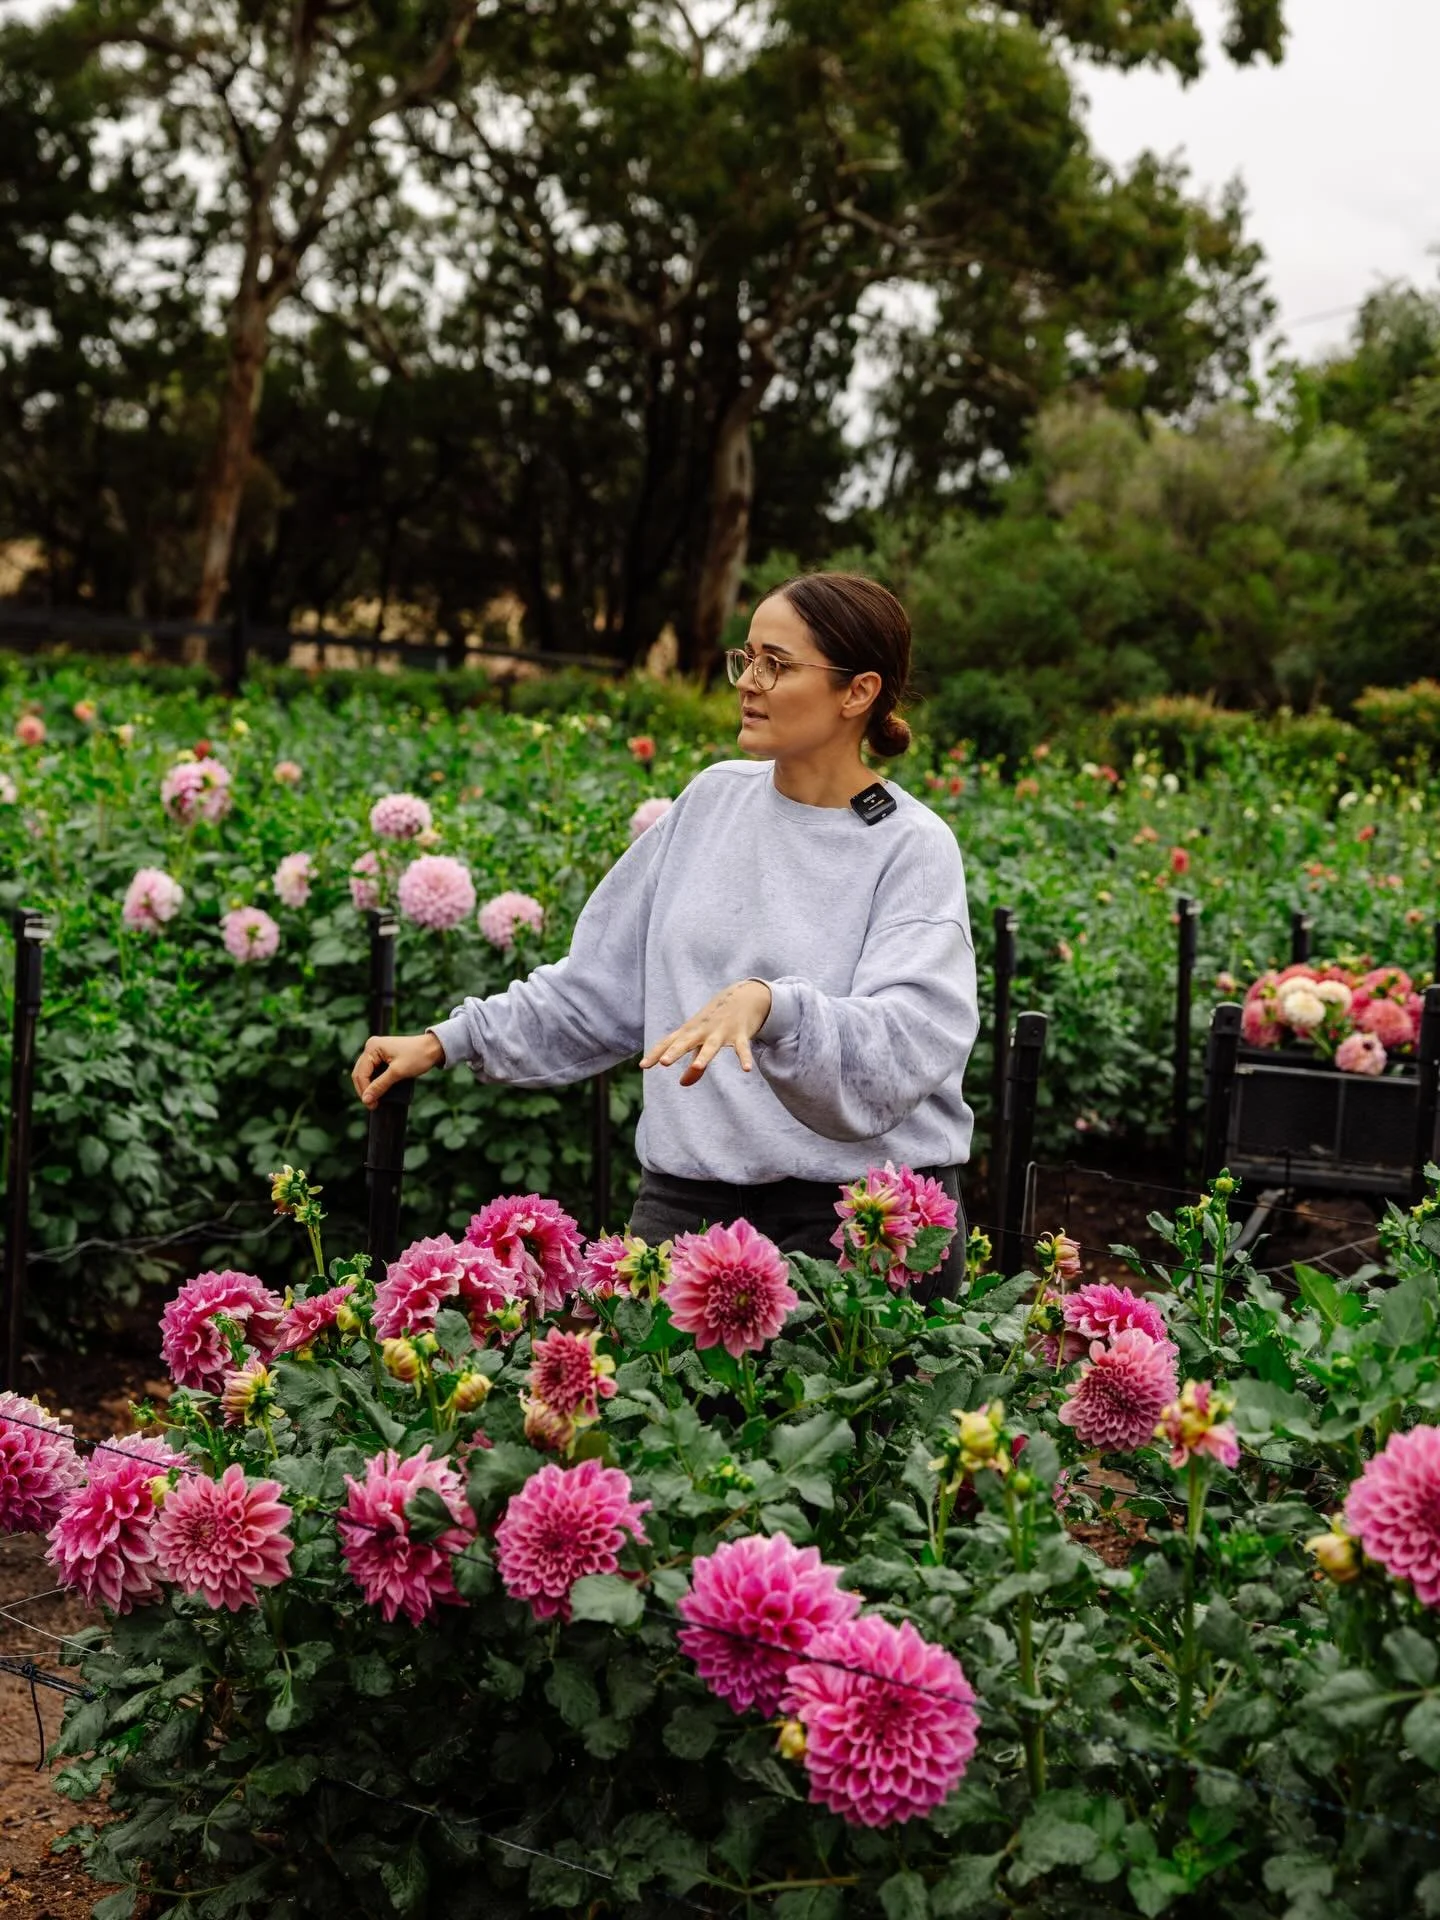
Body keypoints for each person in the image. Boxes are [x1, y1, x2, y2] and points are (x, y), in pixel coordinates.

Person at [350, 571, 978, 1298]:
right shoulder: (712, 801)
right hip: (688, 1205)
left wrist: (772, 1007)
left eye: (778, 664)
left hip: (861, 1223)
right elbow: (600, 988)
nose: (749, 682)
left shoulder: (911, 847)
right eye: (746, 658)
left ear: (857, 692)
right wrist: (451, 1039)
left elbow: (905, 1048)